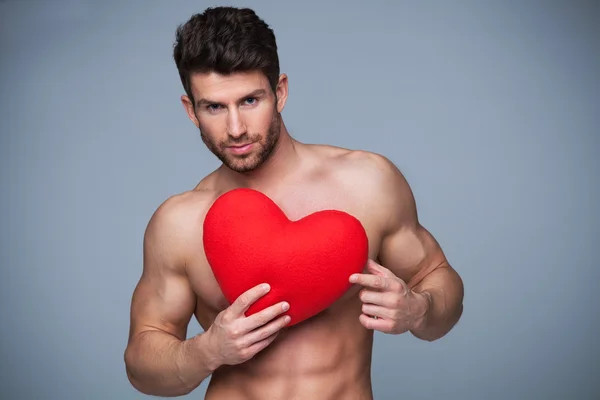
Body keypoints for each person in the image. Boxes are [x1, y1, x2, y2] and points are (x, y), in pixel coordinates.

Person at [124, 6, 464, 399]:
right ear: (191, 110)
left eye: (250, 100)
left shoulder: (367, 183)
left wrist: (418, 310)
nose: (235, 128)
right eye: (214, 107)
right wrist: (205, 352)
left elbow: (439, 281)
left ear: (280, 92)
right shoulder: (180, 222)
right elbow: (140, 366)